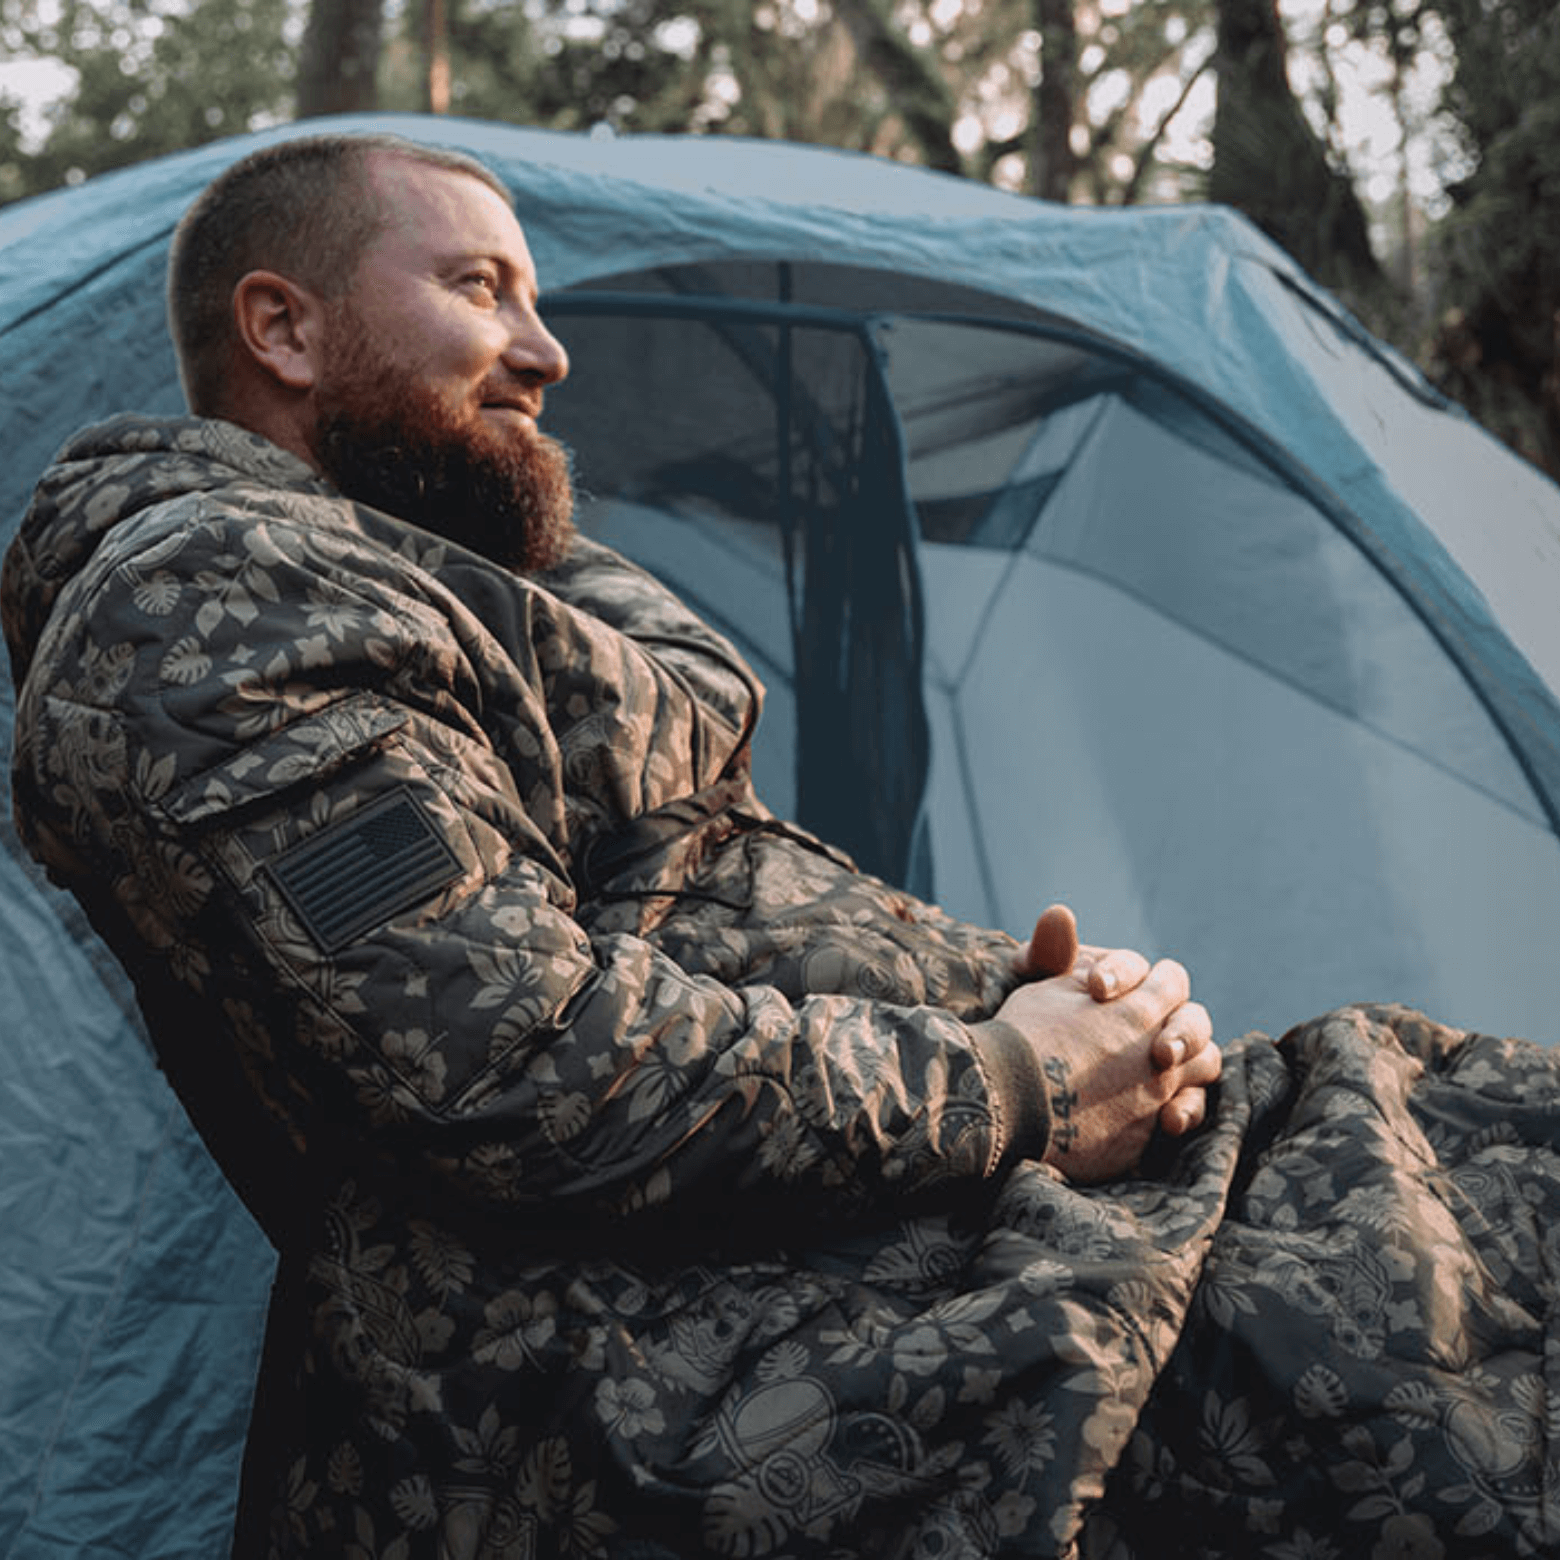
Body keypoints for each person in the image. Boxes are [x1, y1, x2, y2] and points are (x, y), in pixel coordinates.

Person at [2, 131, 1226, 1557]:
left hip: (890, 1206)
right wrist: (1016, 1076)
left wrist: (1087, 1027)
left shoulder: (418, 575)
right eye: (481, 288)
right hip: (670, 1340)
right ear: (282, 325)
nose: (547, 350)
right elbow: (511, 1057)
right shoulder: (205, 607)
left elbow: (666, 858)